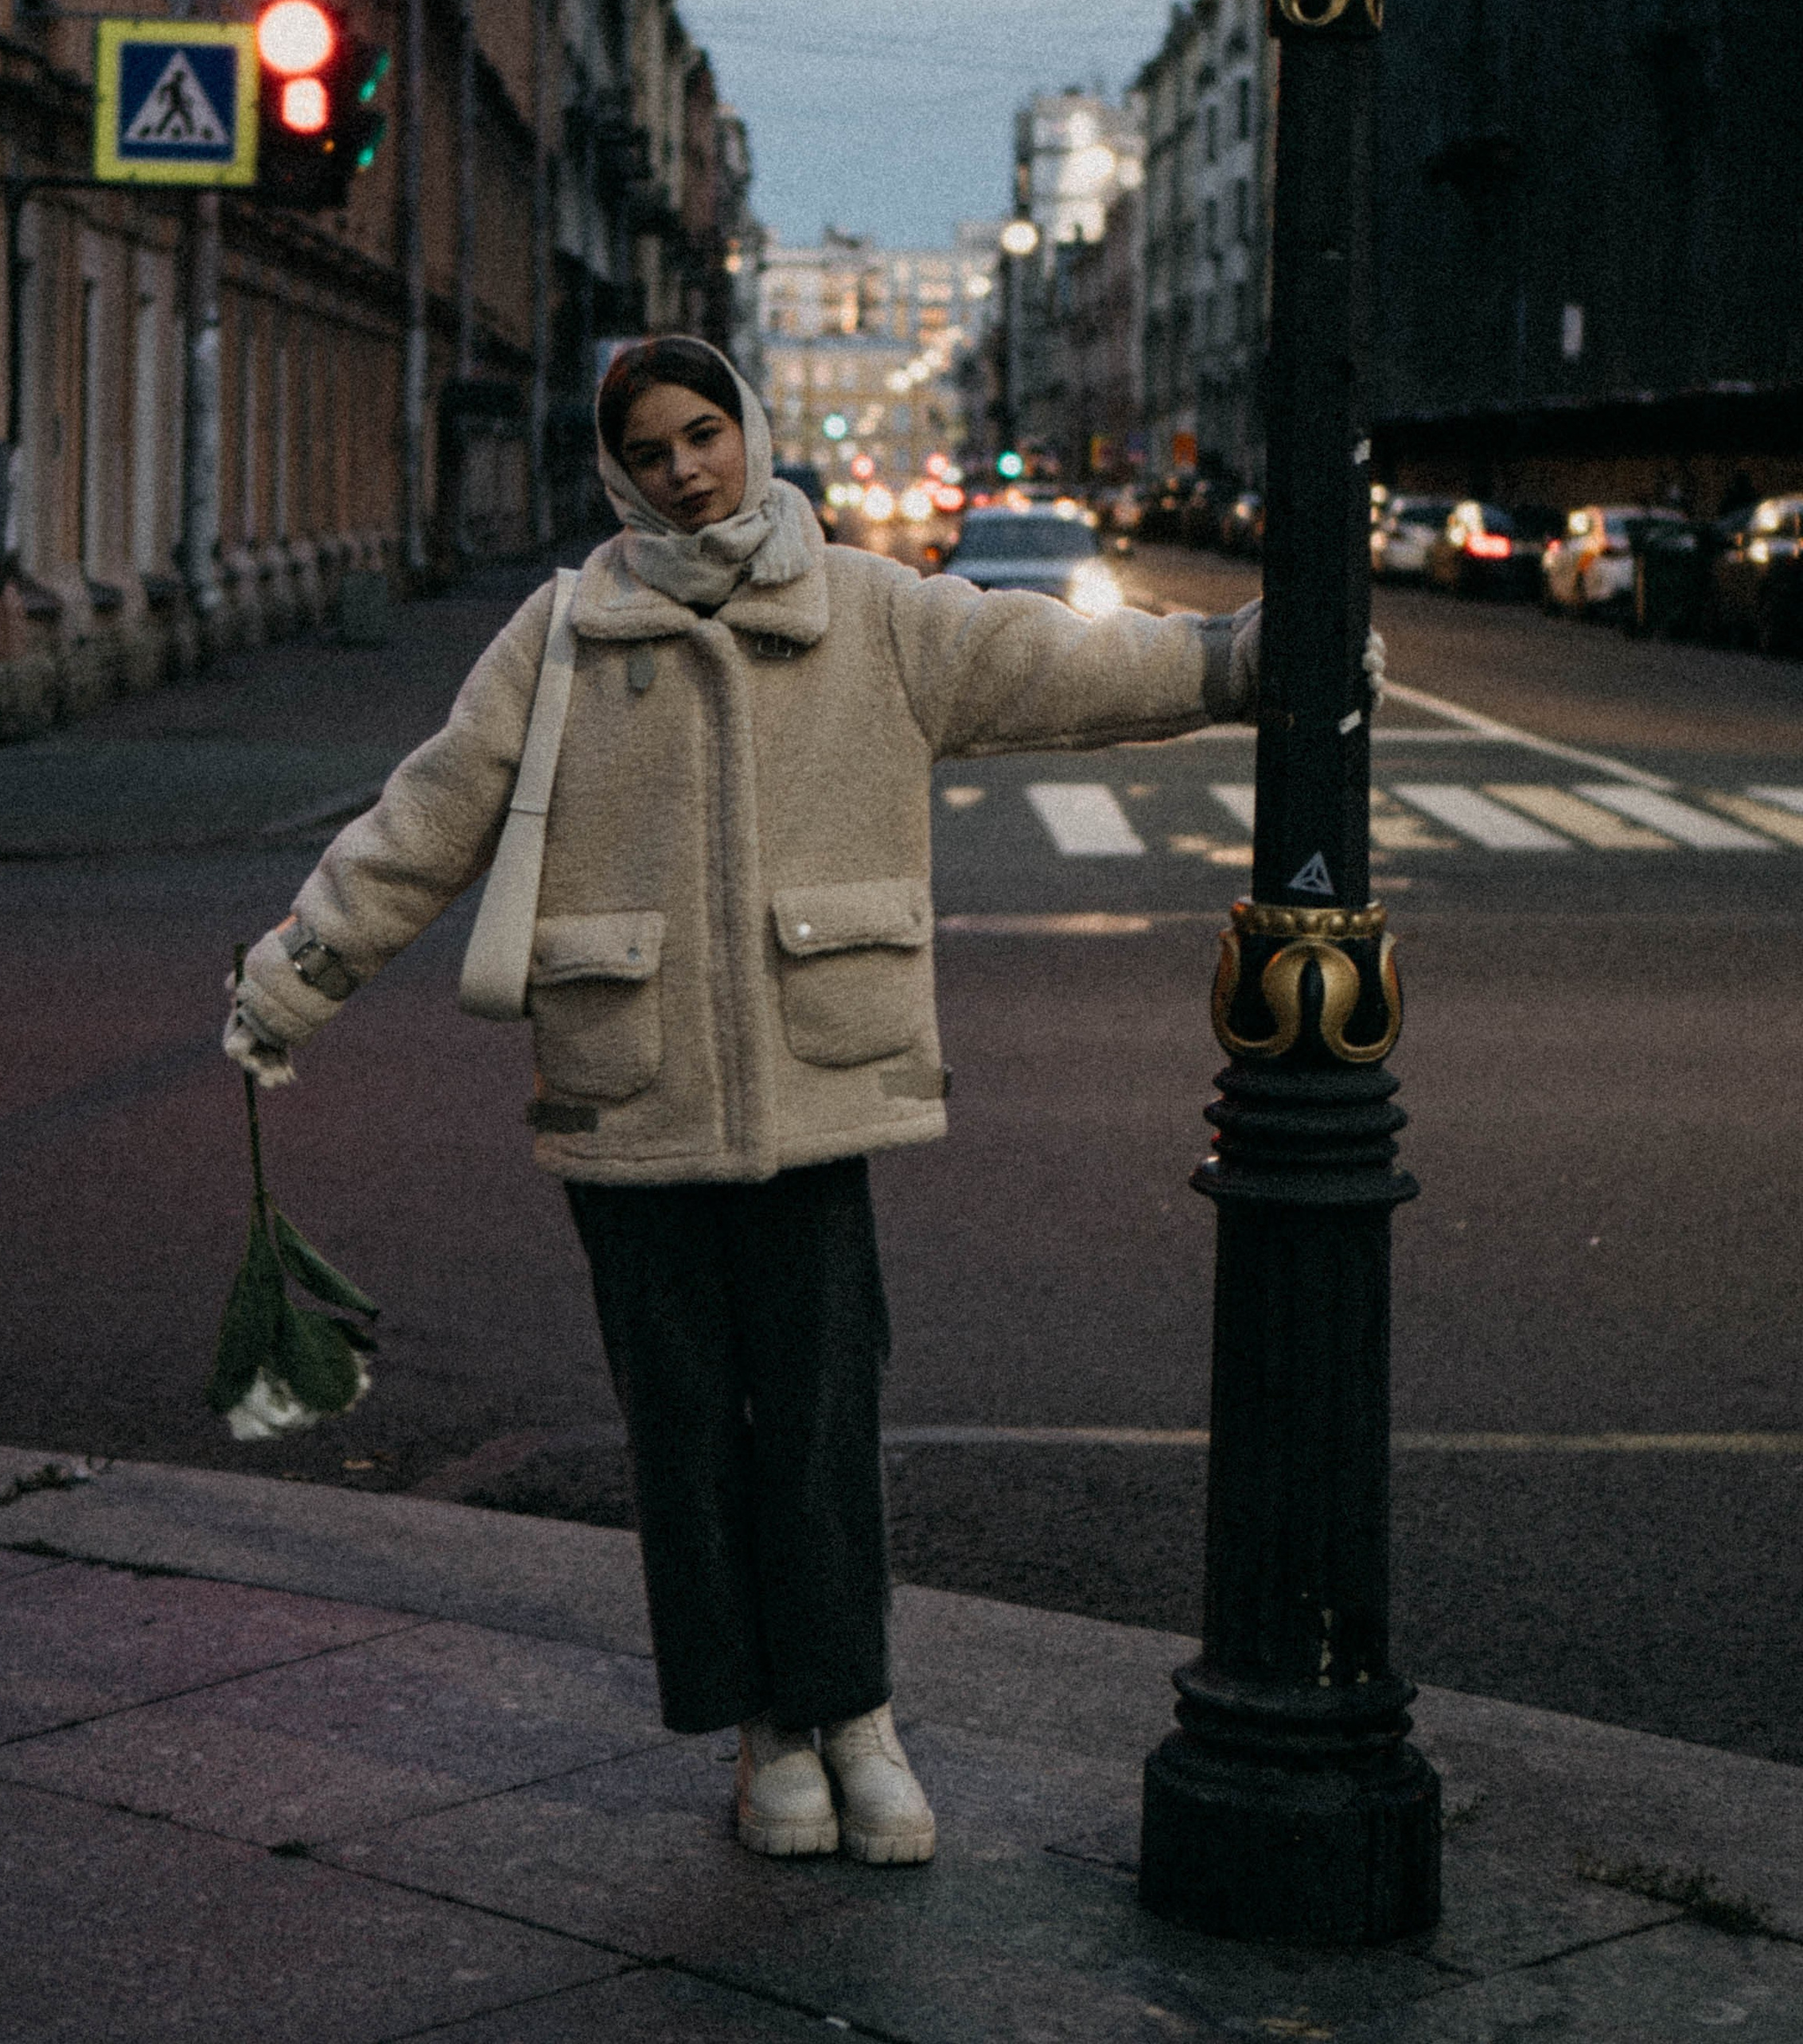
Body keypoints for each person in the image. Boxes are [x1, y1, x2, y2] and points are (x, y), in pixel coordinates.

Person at [225, 336, 1261, 1868]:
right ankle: (763, 1730)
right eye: (650, 452)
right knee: (688, 1429)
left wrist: (1243, 661)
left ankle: (856, 1715)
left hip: (816, 1083)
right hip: (627, 1088)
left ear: (750, 430)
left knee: (824, 1417)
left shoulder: (866, 609)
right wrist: (294, 976)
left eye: (705, 433)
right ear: (618, 474)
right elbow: (430, 816)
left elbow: (1055, 663)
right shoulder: (565, 628)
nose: (686, 470)